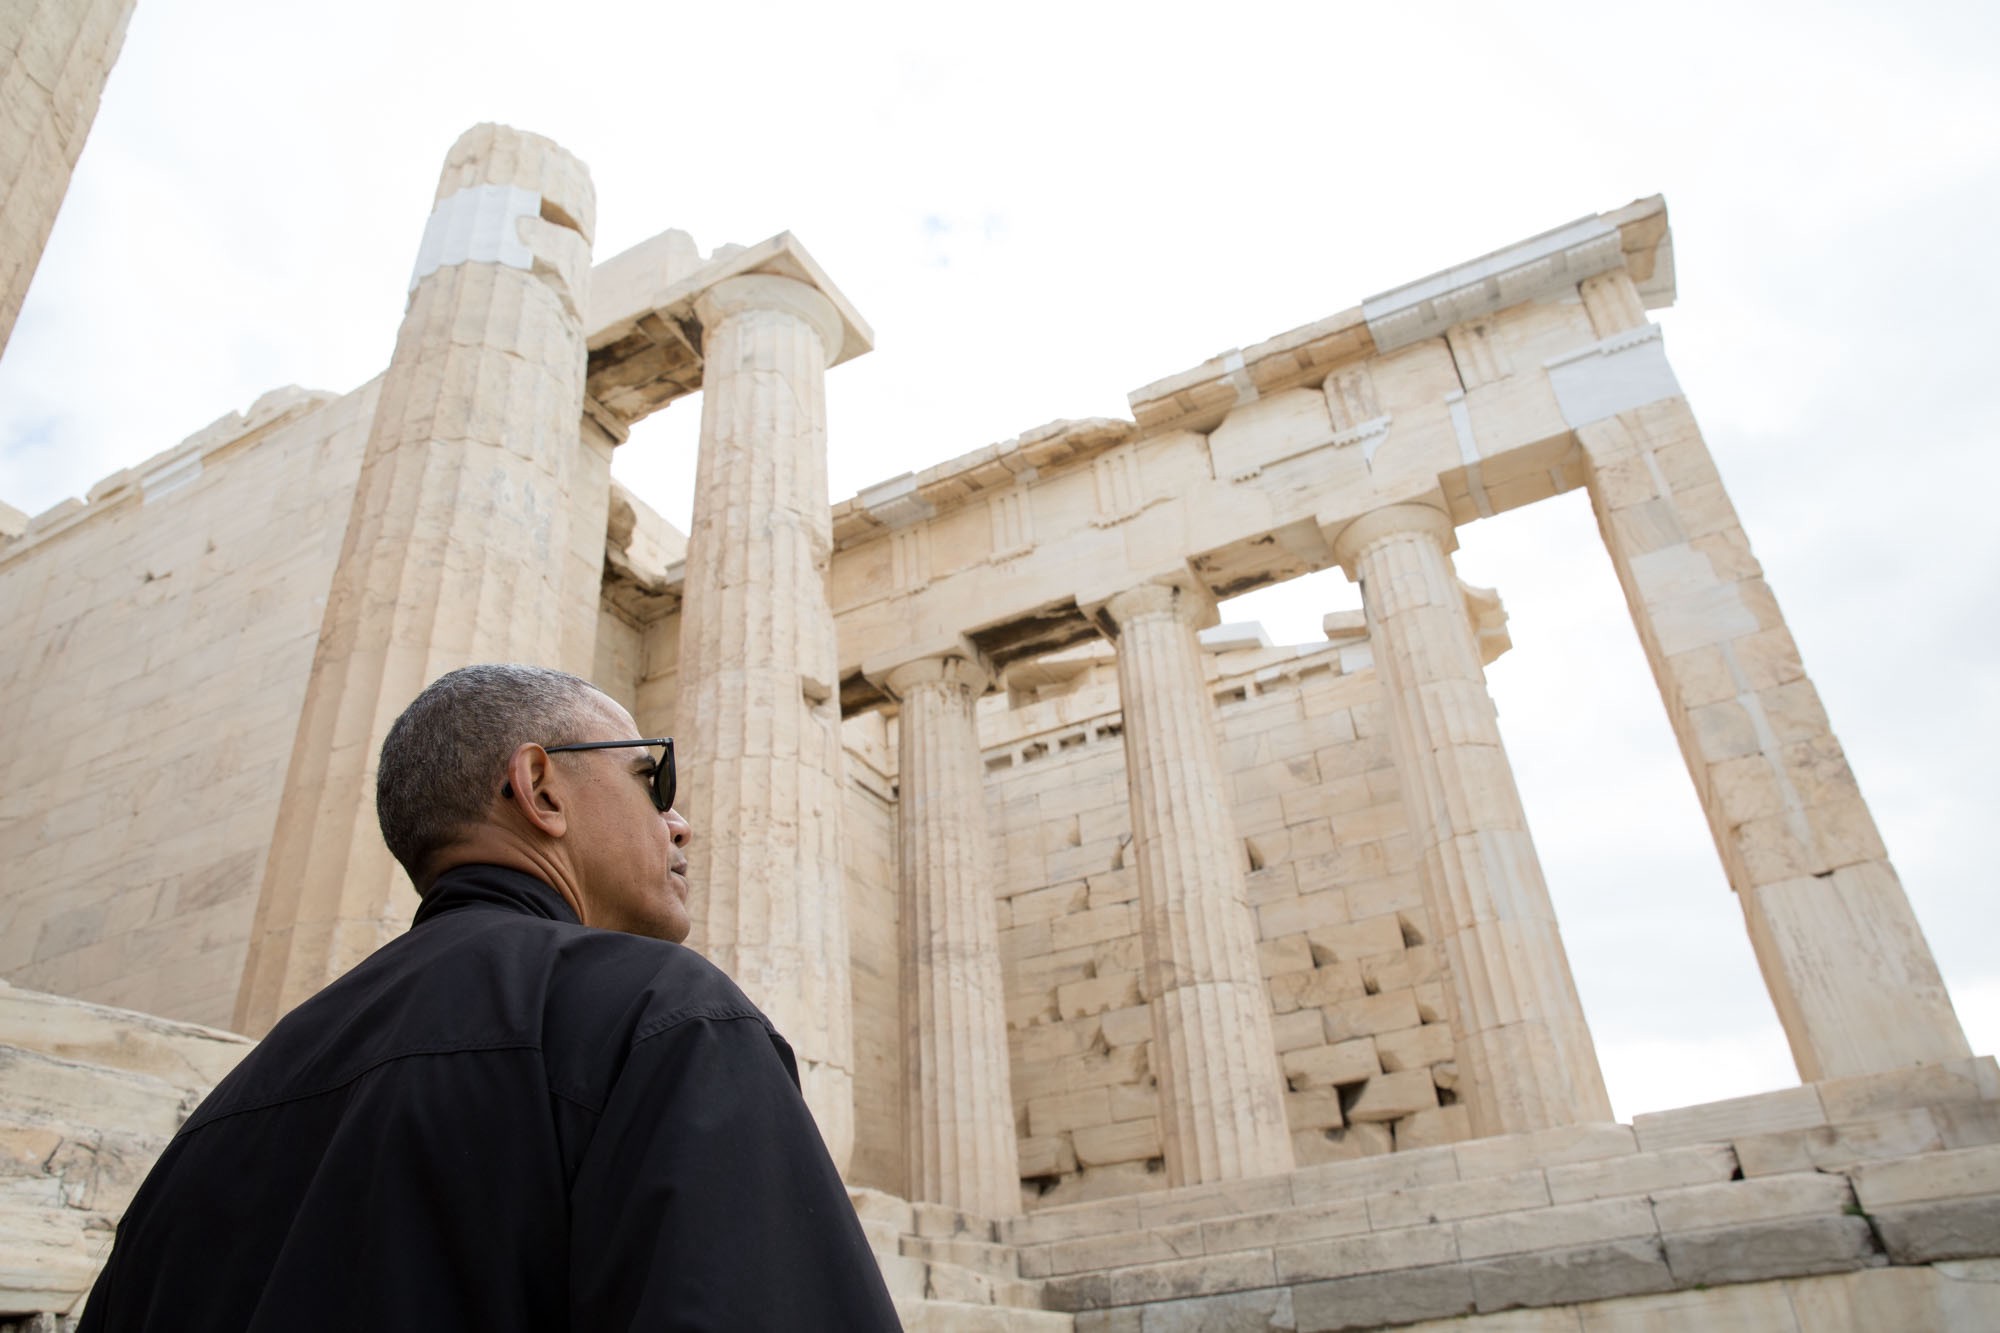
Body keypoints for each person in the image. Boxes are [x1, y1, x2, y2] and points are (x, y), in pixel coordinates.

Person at [78, 663, 903, 1331]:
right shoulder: (663, 1020)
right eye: (650, 777)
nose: (679, 820)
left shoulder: (226, 1111)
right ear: (540, 788)